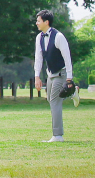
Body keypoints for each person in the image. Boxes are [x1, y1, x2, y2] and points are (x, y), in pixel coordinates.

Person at [34, 10, 80, 143]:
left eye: (38, 21)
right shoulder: (39, 37)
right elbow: (38, 58)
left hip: (62, 73)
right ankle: (72, 93)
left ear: (46, 22)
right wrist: (37, 76)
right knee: (50, 99)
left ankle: (58, 135)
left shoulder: (59, 36)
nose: (36, 23)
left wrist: (69, 79)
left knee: (54, 101)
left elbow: (67, 58)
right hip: (51, 74)